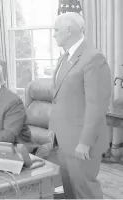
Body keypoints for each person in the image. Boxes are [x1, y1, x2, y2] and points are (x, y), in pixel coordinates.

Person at [50, 12, 111, 199]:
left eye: (56, 30)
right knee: (68, 191)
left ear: (69, 30)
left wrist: (85, 142)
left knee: (86, 192)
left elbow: (96, 106)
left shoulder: (93, 58)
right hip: (62, 140)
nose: (54, 35)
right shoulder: (64, 58)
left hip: (81, 143)